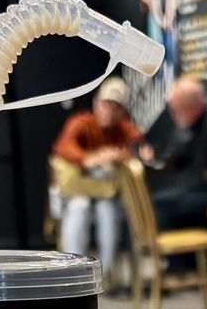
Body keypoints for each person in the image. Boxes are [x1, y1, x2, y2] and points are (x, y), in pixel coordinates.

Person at [53, 78, 143, 286]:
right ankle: (73, 273)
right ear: (96, 103)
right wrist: (91, 158)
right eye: (106, 104)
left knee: (108, 211)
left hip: (107, 194)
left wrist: (118, 154)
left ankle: (106, 275)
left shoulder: (123, 128)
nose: (109, 111)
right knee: (78, 207)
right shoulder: (81, 122)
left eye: (116, 107)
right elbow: (64, 147)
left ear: (122, 111)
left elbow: (139, 146)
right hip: (80, 190)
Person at [140, 76, 207, 232]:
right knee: (152, 203)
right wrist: (154, 159)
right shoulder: (186, 122)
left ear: (196, 105)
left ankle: (181, 255)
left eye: (178, 109)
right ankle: (181, 255)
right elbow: (175, 159)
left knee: (161, 209)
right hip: (195, 188)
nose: (174, 115)